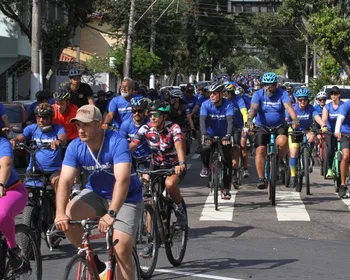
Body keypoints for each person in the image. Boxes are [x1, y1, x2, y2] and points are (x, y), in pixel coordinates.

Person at [54, 105, 143, 279]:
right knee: (69, 215)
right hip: (96, 194)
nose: (80, 130)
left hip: (127, 198)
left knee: (121, 248)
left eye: (85, 125)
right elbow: (64, 181)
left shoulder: (117, 142)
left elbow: (122, 180)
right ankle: (94, 262)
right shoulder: (75, 147)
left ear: (99, 124)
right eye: (78, 125)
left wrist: (111, 213)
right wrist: (59, 213)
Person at [130, 100, 187, 225]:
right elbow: (133, 145)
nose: (152, 118)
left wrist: (181, 163)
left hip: (174, 165)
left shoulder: (173, 128)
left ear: (164, 116)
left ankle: (179, 208)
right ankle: (152, 240)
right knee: (150, 198)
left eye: (155, 115)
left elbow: (179, 146)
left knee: (170, 184)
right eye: (150, 115)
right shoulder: (145, 128)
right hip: (156, 164)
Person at [247, 72, 299, 189]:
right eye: (265, 85)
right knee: (260, 150)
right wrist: (250, 120)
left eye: (271, 85)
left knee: (283, 141)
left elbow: (288, 107)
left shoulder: (282, 94)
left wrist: (295, 119)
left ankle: (279, 160)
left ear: (276, 85)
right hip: (262, 126)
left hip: (279, 125)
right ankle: (261, 178)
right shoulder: (258, 94)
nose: (268, 88)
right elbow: (253, 108)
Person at [10, 103, 67, 191]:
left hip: (54, 170)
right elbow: (21, 136)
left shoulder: (57, 128)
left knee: (58, 184)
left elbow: (63, 137)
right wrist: (14, 140)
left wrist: (58, 141)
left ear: (51, 118)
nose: (41, 120)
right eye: (38, 117)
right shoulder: (32, 128)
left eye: (44, 117)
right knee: (26, 191)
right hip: (34, 170)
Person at [286, 88, 327, 188]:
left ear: (308, 100)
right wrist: (288, 123)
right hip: (294, 131)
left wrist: (323, 125)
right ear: (297, 100)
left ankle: (308, 154)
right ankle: (292, 175)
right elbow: (286, 118)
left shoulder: (311, 108)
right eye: (300, 100)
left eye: (305, 99)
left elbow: (317, 117)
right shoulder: (293, 108)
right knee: (294, 153)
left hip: (307, 130)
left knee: (312, 137)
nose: (303, 102)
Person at [199, 83, 234, 199]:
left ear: (221, 94)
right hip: (210, 134)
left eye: (214, 93)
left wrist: (228, 135)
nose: (212, 96)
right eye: (210, 93)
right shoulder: (205, 104)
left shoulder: (228, 105)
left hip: (224, 135)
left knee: (227, 161)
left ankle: (226, 188)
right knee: (205, 147)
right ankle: (205, 167)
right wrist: (205, 134)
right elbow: (202, 121)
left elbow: (230, 121)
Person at [0, 129, 28, 271]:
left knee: (2, 214)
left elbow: (6, 165)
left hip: (11, 190)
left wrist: (1, 184)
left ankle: (13, 250)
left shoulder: (3, 143)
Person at [223, 83, 250, 181]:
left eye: (227, 93)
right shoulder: (222, 100)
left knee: (241, 145)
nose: (225, 95)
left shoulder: (239, 100)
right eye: (224, 93)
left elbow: (244, 112)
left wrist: (246, 125)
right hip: (226, 127)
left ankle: (245, 168)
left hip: (238, 127)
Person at [119, 97, 151, 169]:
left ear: (144, 111)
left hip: (148, 158)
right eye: (134, 111)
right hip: (131, 157)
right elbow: (121, 143)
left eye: (139, 111)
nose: (137, 113)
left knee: (146, 179)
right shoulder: (125, 124)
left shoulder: (150, 124)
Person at [322, 86, 344, 179]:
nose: (333, 95)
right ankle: (330, 169)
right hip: (330, 132)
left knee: (345, 150)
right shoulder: (327, 107)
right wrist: (324, 126)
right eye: (332, 94)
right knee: (330, 149)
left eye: (335, 93)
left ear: (339, 95)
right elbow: (324, 119)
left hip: (342, 132)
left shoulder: (343, 105)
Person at [335, 98, 350, 198]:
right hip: (346, 134)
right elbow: (340, 118)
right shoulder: (347, 105)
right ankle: (343, 184)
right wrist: (337, 130)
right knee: (345, 157)